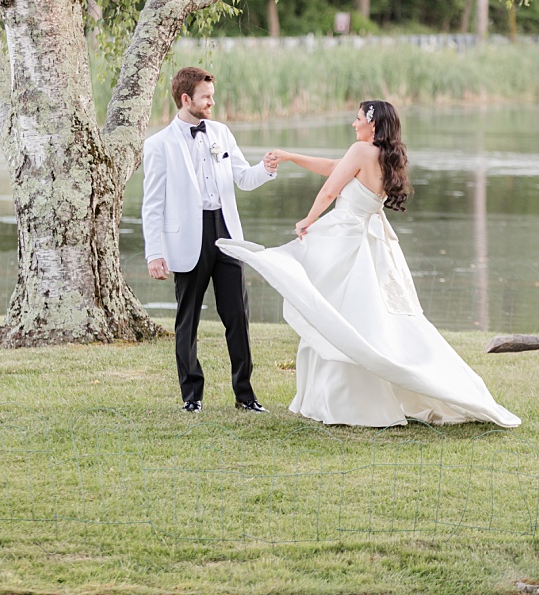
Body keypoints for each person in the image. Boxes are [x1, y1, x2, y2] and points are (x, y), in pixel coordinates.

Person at [217, 99, 520, 428]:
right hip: (368, 242)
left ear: (372, 125)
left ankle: (344, 403)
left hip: (348, 244)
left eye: (358, 118)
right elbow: (335, 166)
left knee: (337, 315)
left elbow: (331, 189)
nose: (354, 123)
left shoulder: (361, 151)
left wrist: (308, 218)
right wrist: (291, 157)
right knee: (362, 320)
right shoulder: (379, 155)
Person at [142, 67, 279, 413]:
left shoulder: (221, 132)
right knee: (187, 319)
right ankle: (192, 396)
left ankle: (245, 396)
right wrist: (154, 253)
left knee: (238, 315)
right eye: (206, 97)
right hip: (187, 238)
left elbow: (243, 179)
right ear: (186, 99)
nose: (211, 102)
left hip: (226, 231)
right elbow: (152, 204)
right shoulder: (159, 145)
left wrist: (265, 167)